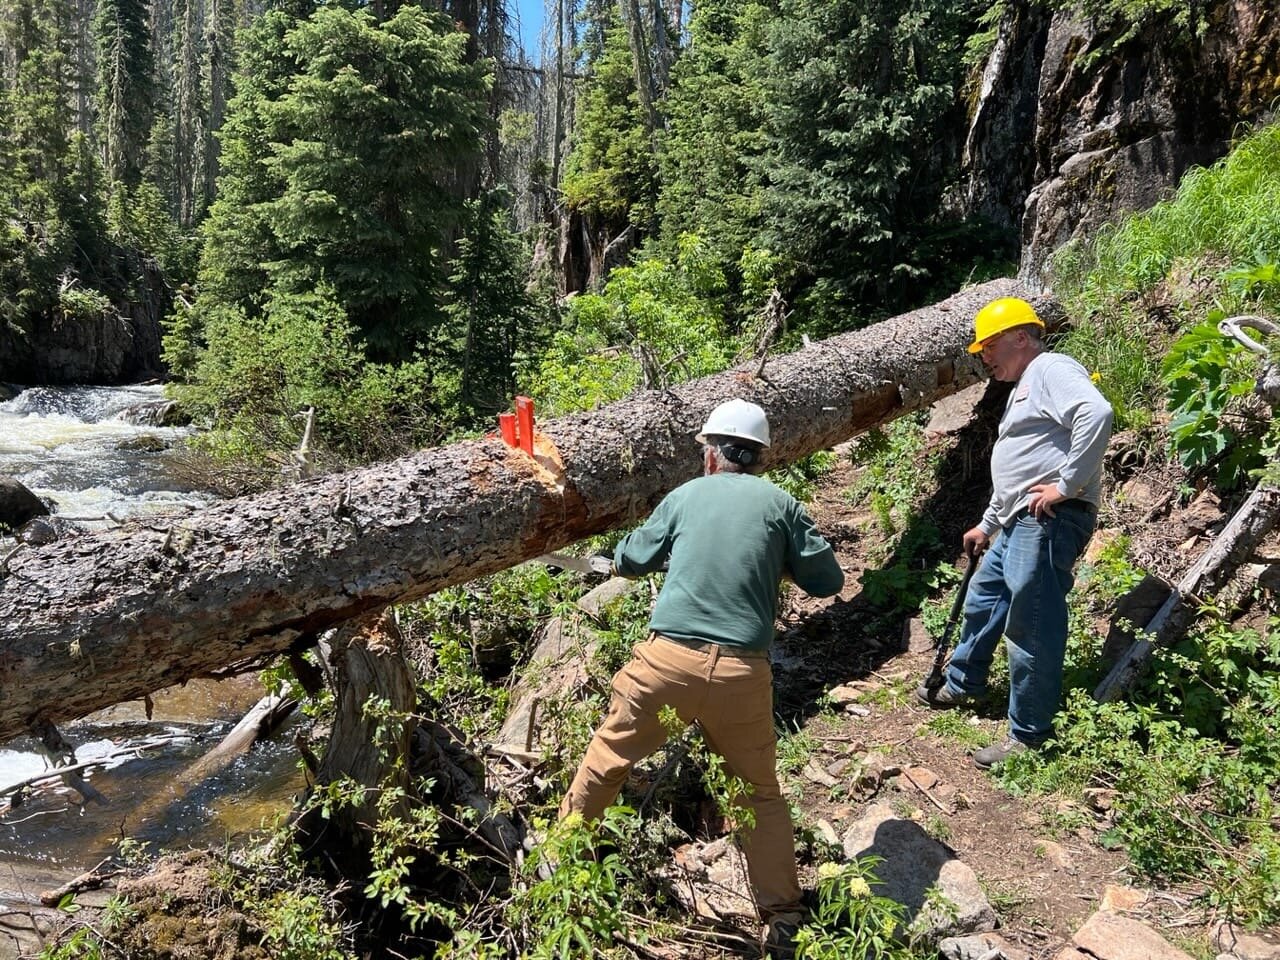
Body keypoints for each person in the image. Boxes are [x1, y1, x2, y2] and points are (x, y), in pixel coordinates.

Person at [558, 398, 844, 956]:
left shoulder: (685, 496)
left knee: (608, 757)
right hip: (742, 674)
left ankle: (559, 866)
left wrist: (635, 553)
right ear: (760, 457)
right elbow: (827, 580)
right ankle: (784, 919)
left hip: (667, 664)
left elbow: (631, 559)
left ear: (712, 455)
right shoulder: (783, 505)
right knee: (759, 795)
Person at [916, 297, 1113, 769]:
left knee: (1032, 620)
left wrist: (1066, 485)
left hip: (1047, 520)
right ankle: (964, 683)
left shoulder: (1050, 368)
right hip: (1018, 520)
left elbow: (1097, 412)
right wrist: (987, 523)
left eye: (989, 346)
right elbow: (1021, 468)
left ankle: (1029, 734)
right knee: (985, 599)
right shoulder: (1026, 386)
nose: (984, 356)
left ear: (1021, 337)